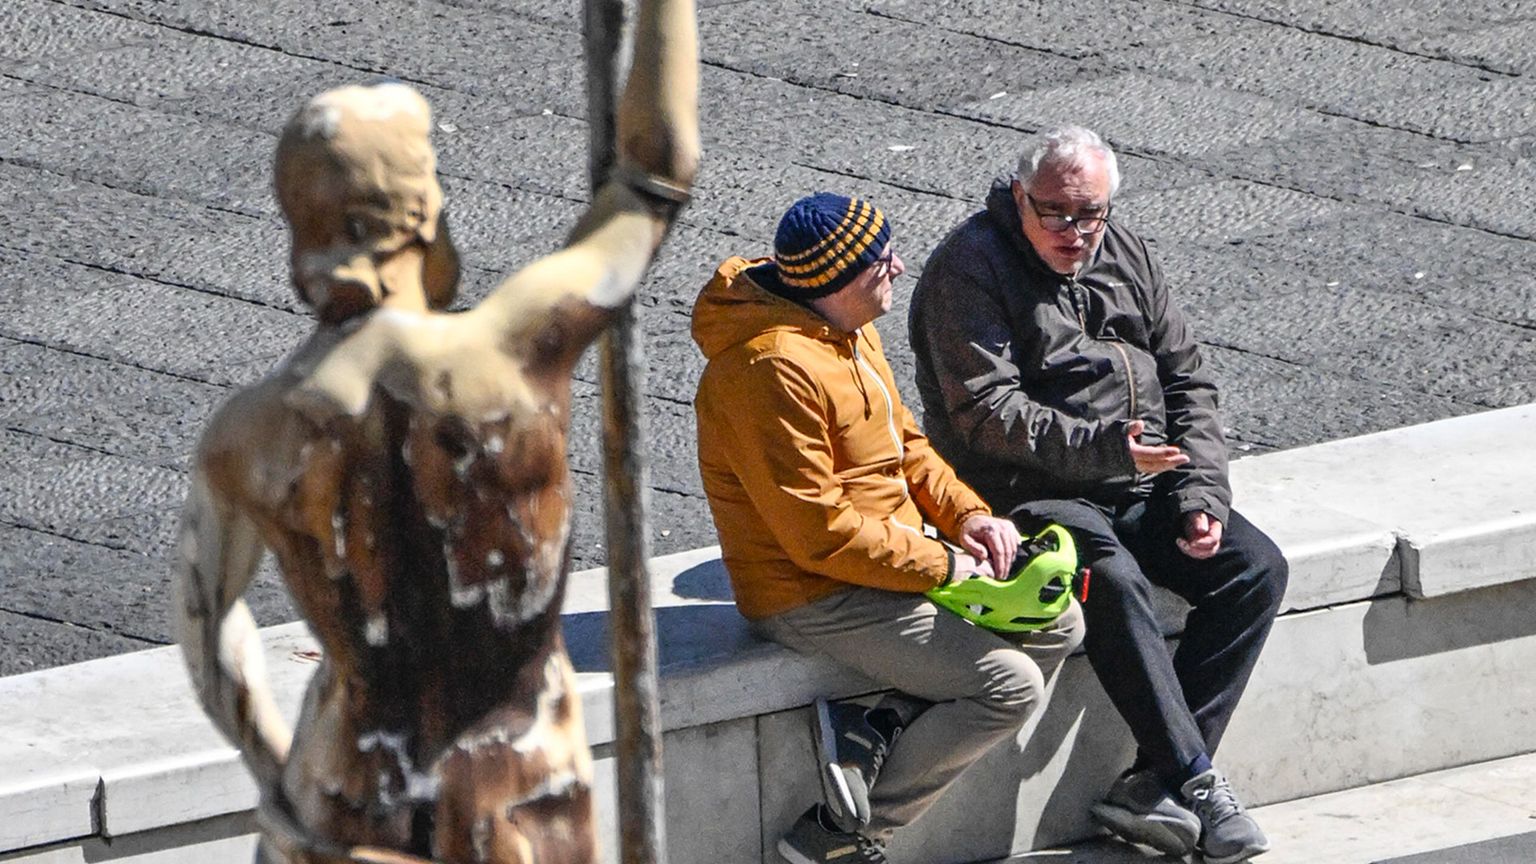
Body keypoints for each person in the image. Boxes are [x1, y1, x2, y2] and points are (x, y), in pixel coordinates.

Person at [170, 0, 699, 858]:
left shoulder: (250, 436)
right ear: (418, 215)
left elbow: (204, 621)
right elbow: (653, 175)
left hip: (342, 802)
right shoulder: (512, 355)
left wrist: (271, 763)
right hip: (518, 803)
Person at [908, 126, 1288, 864]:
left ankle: (1152, 785)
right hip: (1028, 490)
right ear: (1020, 198)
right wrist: (1111, 448)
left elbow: (1187, 379)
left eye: (1091, 214)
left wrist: (1199, 491)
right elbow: (987, 415)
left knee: (1255, 569)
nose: (1075, 233)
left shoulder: (1126, 252)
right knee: (1107, 579)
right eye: (1055, 213)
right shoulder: (967, 270)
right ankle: (1197, 780)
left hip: (1140, 475)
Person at [691, 193, 1085, 864]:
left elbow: (906, 445)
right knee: (1007, 688)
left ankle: (880, 724)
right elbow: (817, 533)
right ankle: (843, 837)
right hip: (809, 593)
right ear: (837, 281)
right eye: (882, 261)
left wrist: (968, 517)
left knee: (1058, 623)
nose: (899, 267)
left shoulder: (846, 330)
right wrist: (943, 568)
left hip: (888, 561)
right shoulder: (770, 371)